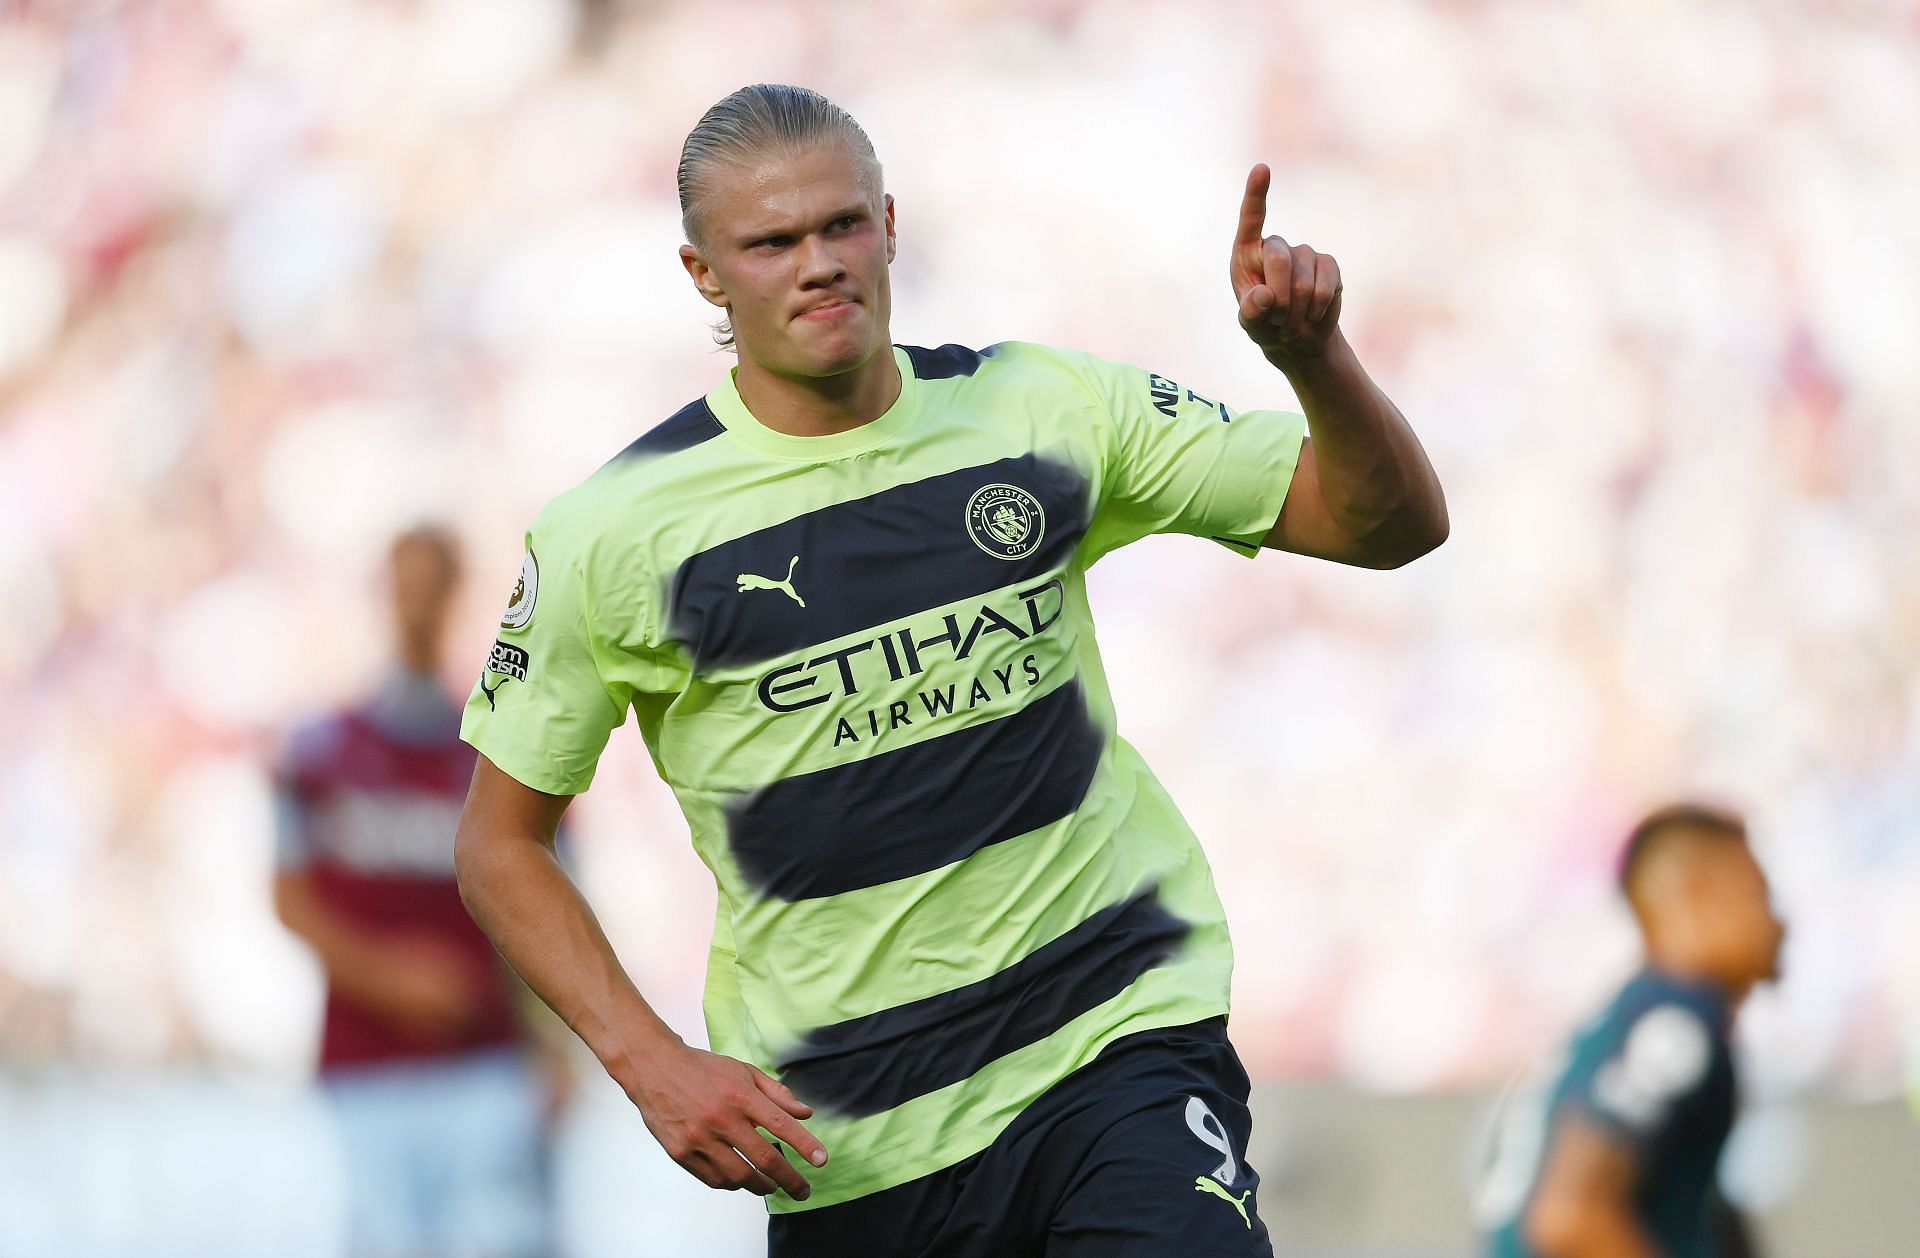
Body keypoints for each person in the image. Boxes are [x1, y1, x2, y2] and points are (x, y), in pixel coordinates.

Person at [454, 83, 1446, 1257]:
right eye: (772, 242)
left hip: (1113, 1044)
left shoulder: (1043, 407)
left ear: (890, 221)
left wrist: (1316, 361)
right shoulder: (613, 534)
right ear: (704, 273)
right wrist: (649, 1061)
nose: (818, 264)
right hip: (857, 1138)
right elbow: (498, 844)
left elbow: (1388, 527)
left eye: (842, 226)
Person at [275, 525, 555, 1258]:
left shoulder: (501, 749)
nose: (418, 604)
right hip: (367, 1064)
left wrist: (555, 1044)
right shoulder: (318, 751)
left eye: (434, 584)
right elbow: (289, 898)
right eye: (405, 583)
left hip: (487, 1059)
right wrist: (389, 978)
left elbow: (554, 899)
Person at [1479, 804, 1786, 1258]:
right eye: (1758, 894)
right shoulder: (1674, 1025)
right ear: (1697, 892)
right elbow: (1568, 1217)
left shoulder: (1635, 1016)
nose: (1778, 923)